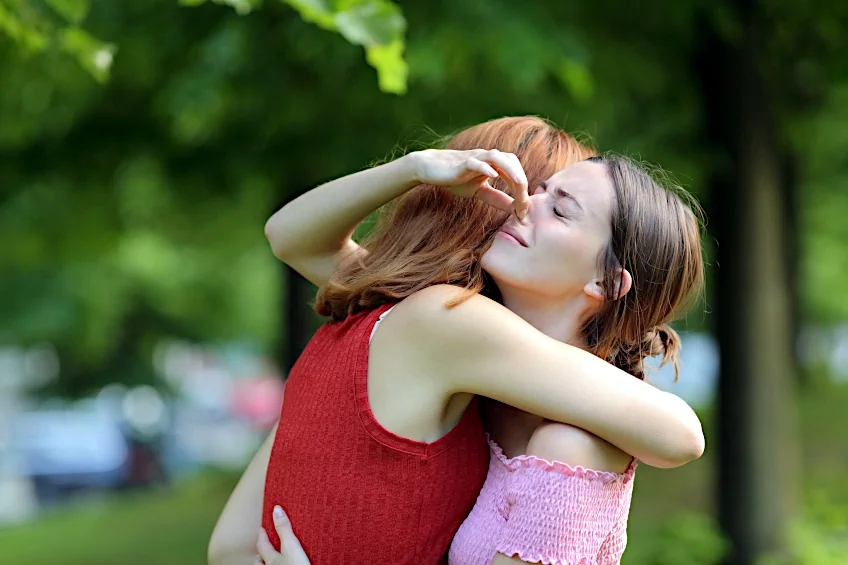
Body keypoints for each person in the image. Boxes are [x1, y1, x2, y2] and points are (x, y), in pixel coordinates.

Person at [208, 117, 705, 565]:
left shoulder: (457, 334)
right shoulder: (454, 350)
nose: (524, 205)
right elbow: (289, 237)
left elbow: (684, 434)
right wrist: (417, 166)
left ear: (606, 283)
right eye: (533, 189)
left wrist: (414, 170)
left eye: (562, 209)